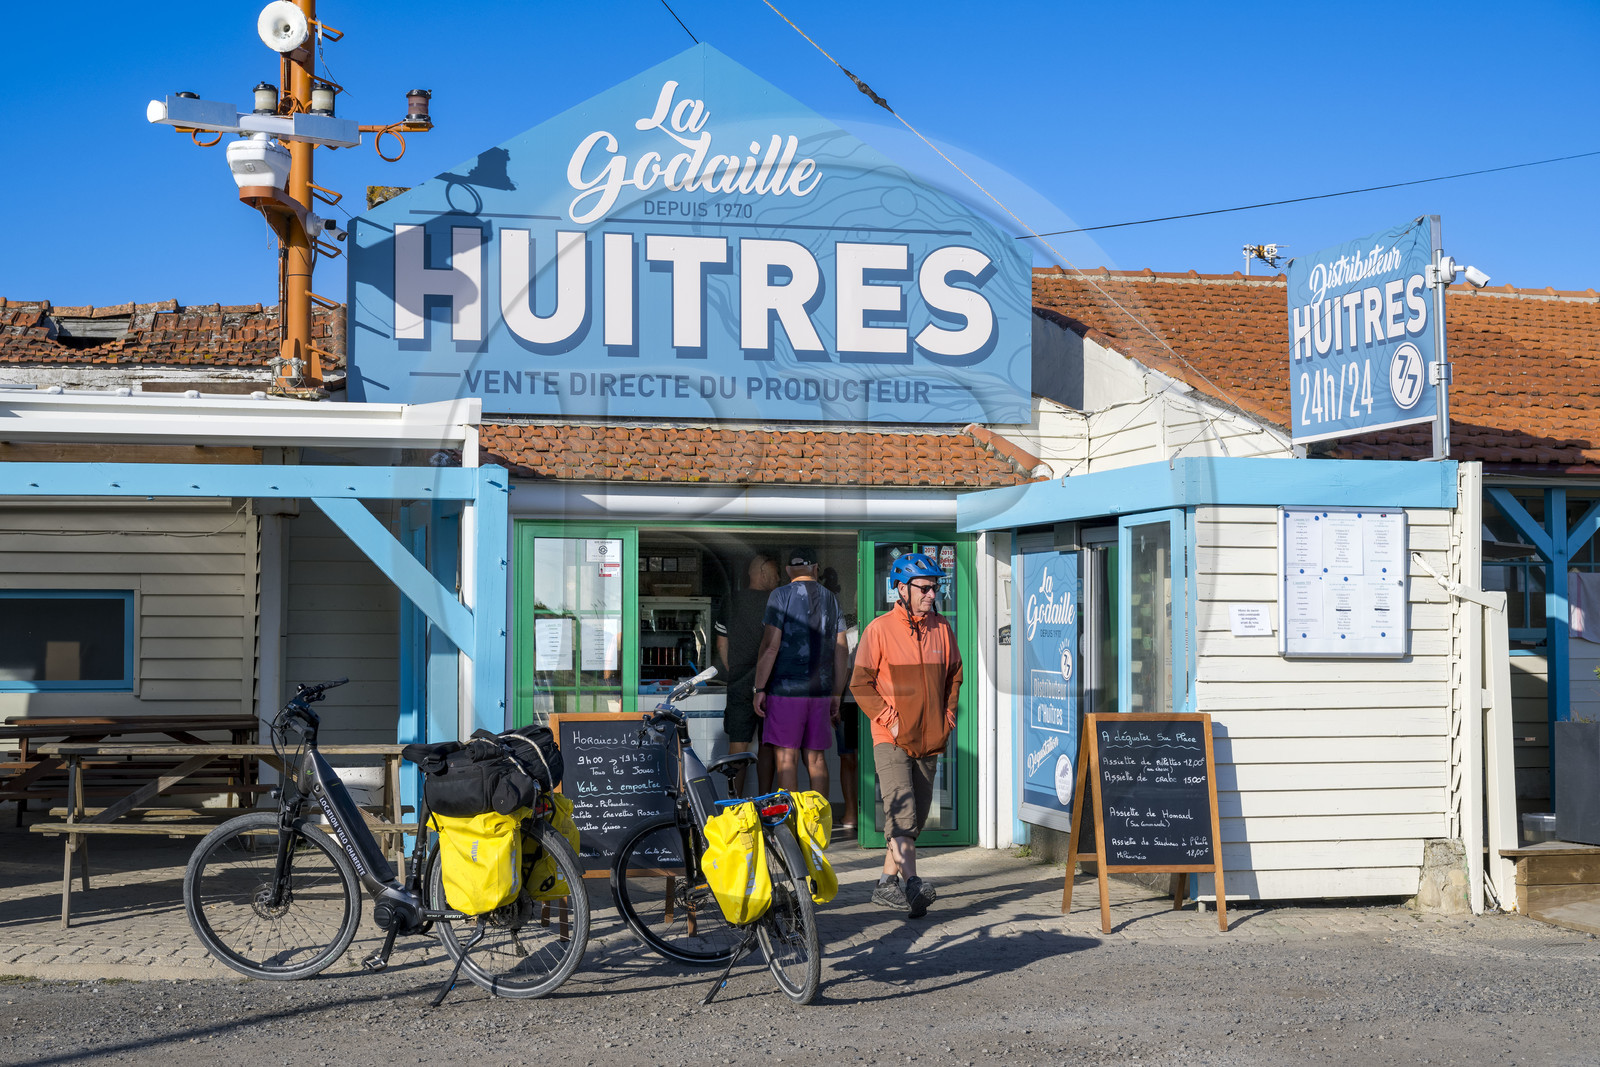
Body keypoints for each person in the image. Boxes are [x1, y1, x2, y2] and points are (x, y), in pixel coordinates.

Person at [850, 552, 961, 918]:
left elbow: (954, 675)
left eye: (936, 587)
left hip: (929, 737)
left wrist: (947, 711)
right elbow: (860, 683)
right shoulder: (879, 630)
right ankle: (913, 883)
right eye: (925, 588)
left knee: (914, 820)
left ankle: (885, 884)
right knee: (902, 814)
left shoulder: (942, 628)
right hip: (890, 737)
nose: (933, 594)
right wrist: (887, 717)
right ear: (902, 589)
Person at [752, 546, 848, 804]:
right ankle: (818, 828)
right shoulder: (831, 598)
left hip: (785, 691)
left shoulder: (780, 595)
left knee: (786, 759)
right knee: (816, 760)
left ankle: (792, 830)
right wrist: (837, 692)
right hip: (820, 692)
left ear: (787, 570)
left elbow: (771, 646)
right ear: (815, 568)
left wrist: (759, 688)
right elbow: (842, 650)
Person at [714, 553, 780, 795]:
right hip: (772, 681)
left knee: (738, 745)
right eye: (775, 572)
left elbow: (722, 642)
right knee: (768, 745)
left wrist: (735, 669)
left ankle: (735, 803)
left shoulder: (732, 600)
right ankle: (765, 800)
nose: (778, 577)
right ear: (761, 572)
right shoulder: (778, 601)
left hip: (740, 683)